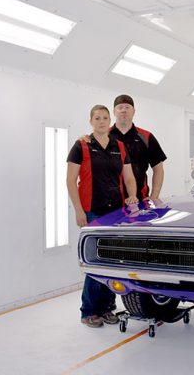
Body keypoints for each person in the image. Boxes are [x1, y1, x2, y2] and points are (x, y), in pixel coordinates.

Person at [66, 104, 137, 328]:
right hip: (92, 211)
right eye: (97, 118)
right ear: (91, 121)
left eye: (105, 118)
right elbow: (70, 180)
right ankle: (89, 311)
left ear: (110, 121)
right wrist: (78, 210)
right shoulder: (81, 145)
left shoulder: (119, 146)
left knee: (112, 260)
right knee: (95, 262)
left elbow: (129, 178)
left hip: (116, 212)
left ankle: (107, 308)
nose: (102, 121)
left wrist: (132, 196)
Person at [110, 94, 167, 201]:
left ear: (134, 111)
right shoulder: (104, 136)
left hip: (139, 200)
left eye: (127, 107)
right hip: (109, 202)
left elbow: (158, 168)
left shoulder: (146, 137)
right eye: (120, 107)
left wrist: (154, 196)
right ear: (114, 112)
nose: (124, 110)